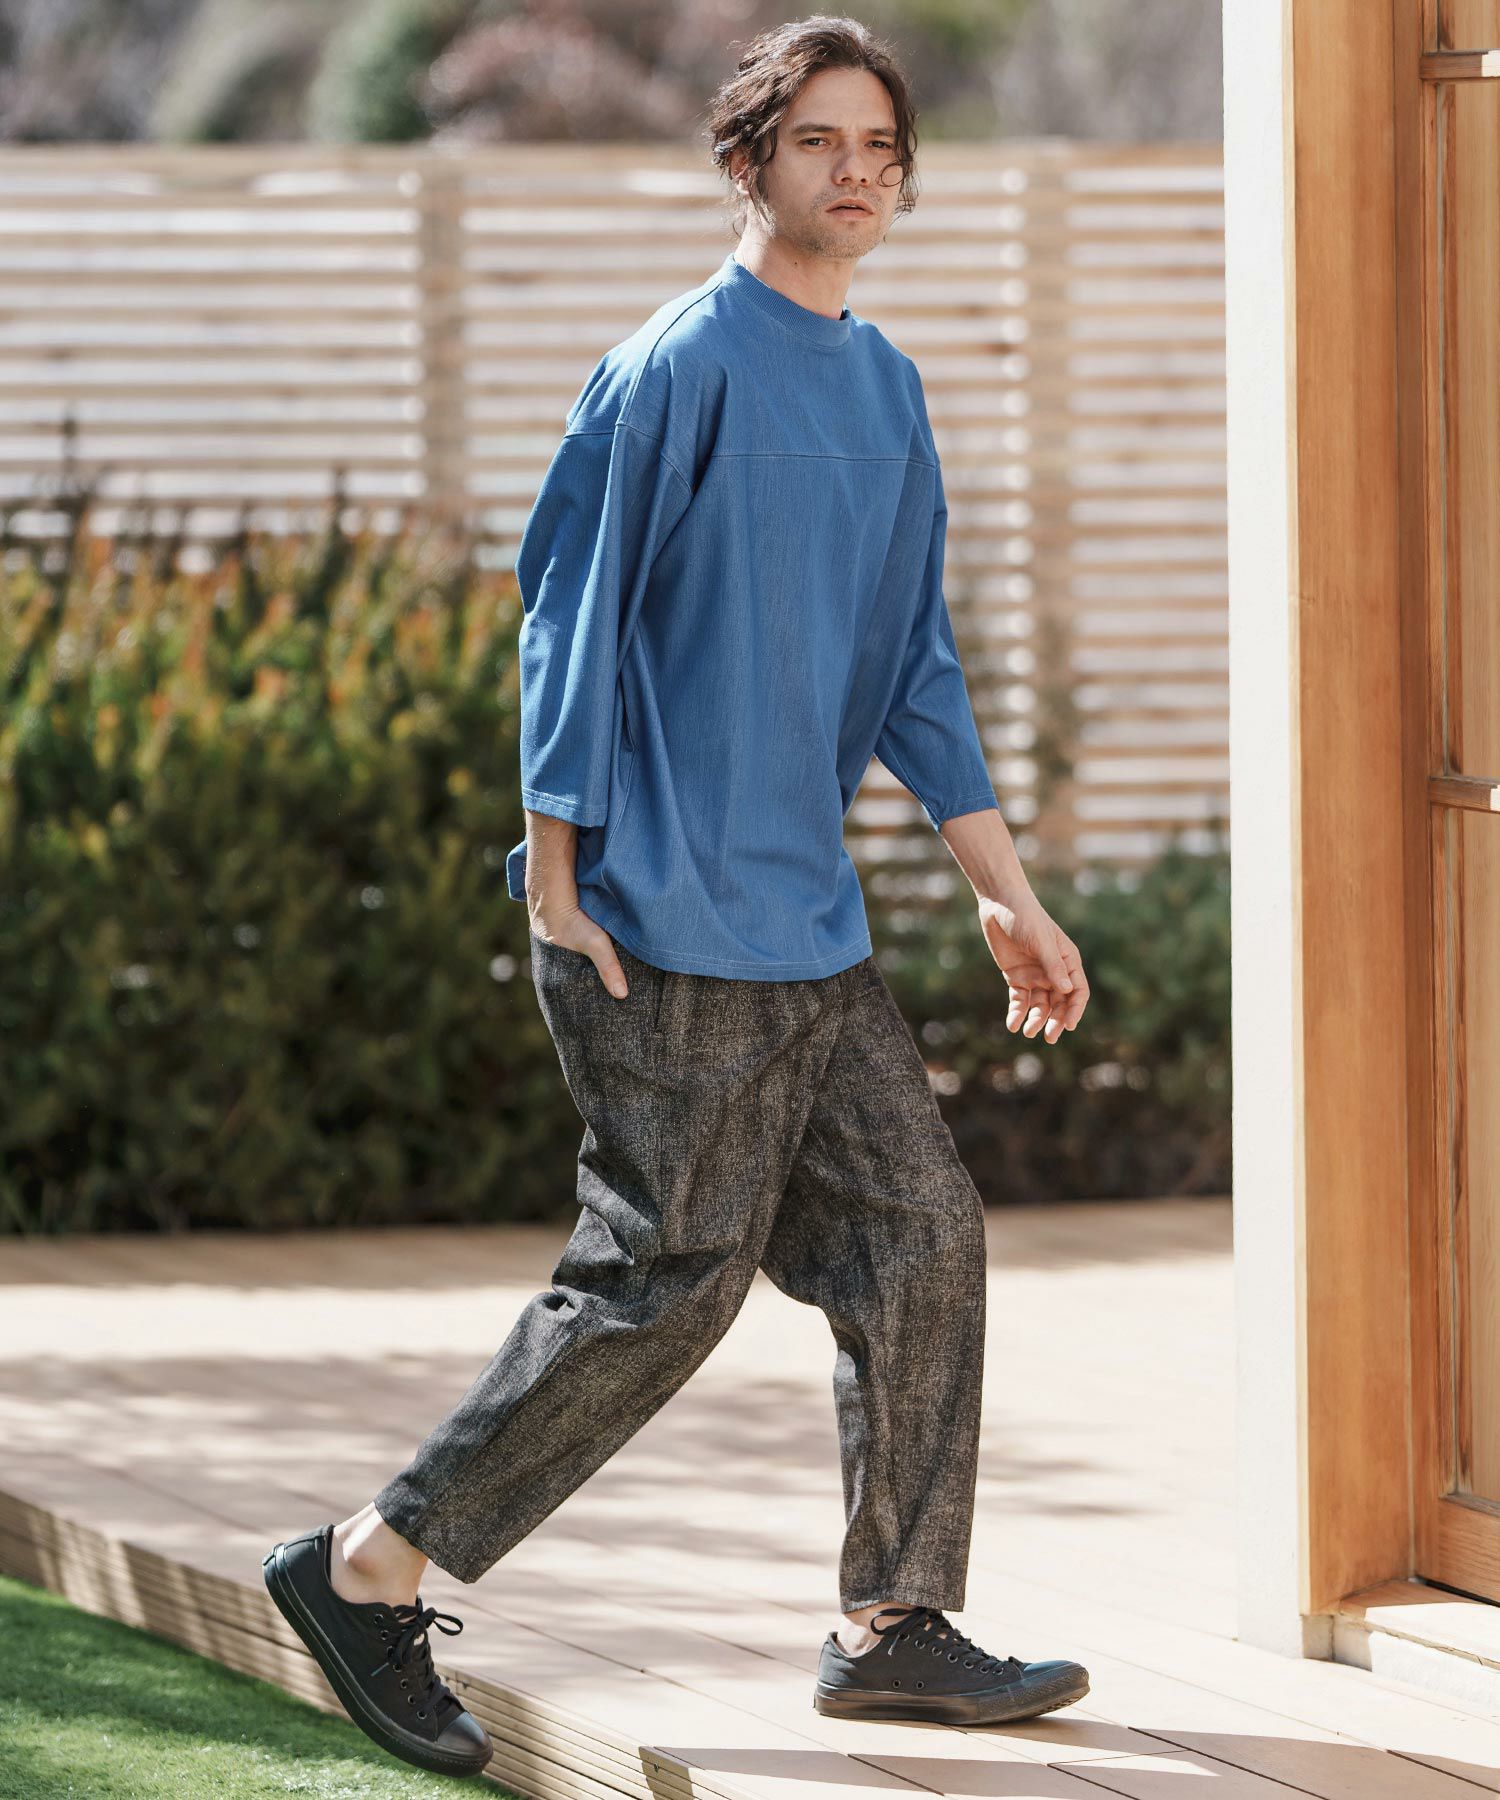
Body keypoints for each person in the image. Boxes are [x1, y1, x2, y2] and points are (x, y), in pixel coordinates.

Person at [262, 14, 1092, 1781]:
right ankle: (366, 1565)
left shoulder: (887, 391)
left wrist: (1006, 895)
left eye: (882, 146)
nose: (857, 172)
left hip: (809, 932)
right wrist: (559, 882)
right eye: (820, 142)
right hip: (654, 920)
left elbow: (916, 668)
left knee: (922, 1239)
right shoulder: (672, 368)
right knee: (665, 1282)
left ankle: (894, 1627)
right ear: (748, 163)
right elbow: (565, 622)